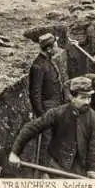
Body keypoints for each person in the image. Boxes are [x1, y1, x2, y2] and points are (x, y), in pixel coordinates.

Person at [9, 76, 95, 179]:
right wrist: (14, 152)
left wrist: (92, 169)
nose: (87, 102)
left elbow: (94, 145)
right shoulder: (57, 113)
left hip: (79, 170)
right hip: (57, 167)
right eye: (83, 98)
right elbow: (30, 128)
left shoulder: (94, 118)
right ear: (72, 97)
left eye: (89, 97)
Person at [29, 33, 65, 168]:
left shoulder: (49, 60)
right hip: (47, 107)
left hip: (55, 103)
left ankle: (52, 161)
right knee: (46, 138)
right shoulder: (38, 66)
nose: (57, 47)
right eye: (56, 45)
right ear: (49, 49)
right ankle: (42, 167)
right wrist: (41, 114)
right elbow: (35, 93)